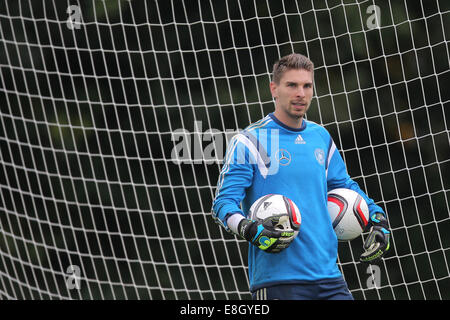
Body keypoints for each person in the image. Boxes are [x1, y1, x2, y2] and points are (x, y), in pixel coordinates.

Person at [212, 53, 390, 300]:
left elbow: (345, 186)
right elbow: (223, 204)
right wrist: (247, 228)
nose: (301, 93)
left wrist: (377, 218)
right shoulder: (249, 141)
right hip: (278, 283)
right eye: (292, 85)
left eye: (307, 86)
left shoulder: (321, 137)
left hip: (329, 278)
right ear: (274, 89)